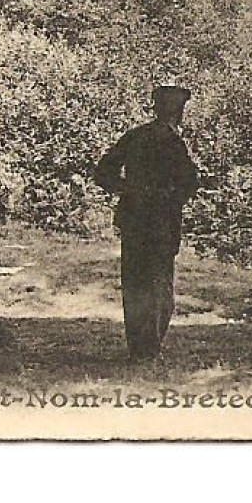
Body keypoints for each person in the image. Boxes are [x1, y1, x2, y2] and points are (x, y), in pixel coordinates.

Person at [94, 84, 202, 360]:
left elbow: (103, 171)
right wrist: (170, 197)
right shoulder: (173, 143)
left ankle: (139, 348)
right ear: (177, 112)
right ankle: (150, 346)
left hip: (134, 219)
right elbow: (190, 183)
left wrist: (124, 190)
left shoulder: (135, 136)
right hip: (161, 223)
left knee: (135, 282)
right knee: (159, 283)